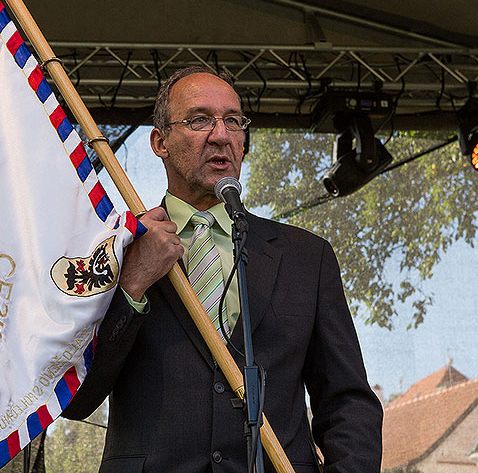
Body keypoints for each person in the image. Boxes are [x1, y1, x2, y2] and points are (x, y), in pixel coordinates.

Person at [63, 66, 383, 472]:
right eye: (199, 120)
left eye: (233, 121)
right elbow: (75, 398)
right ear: (159, 142)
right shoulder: (113, 248)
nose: (221, 135)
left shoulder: (307, 257)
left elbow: (347, 402)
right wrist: (132, 283)